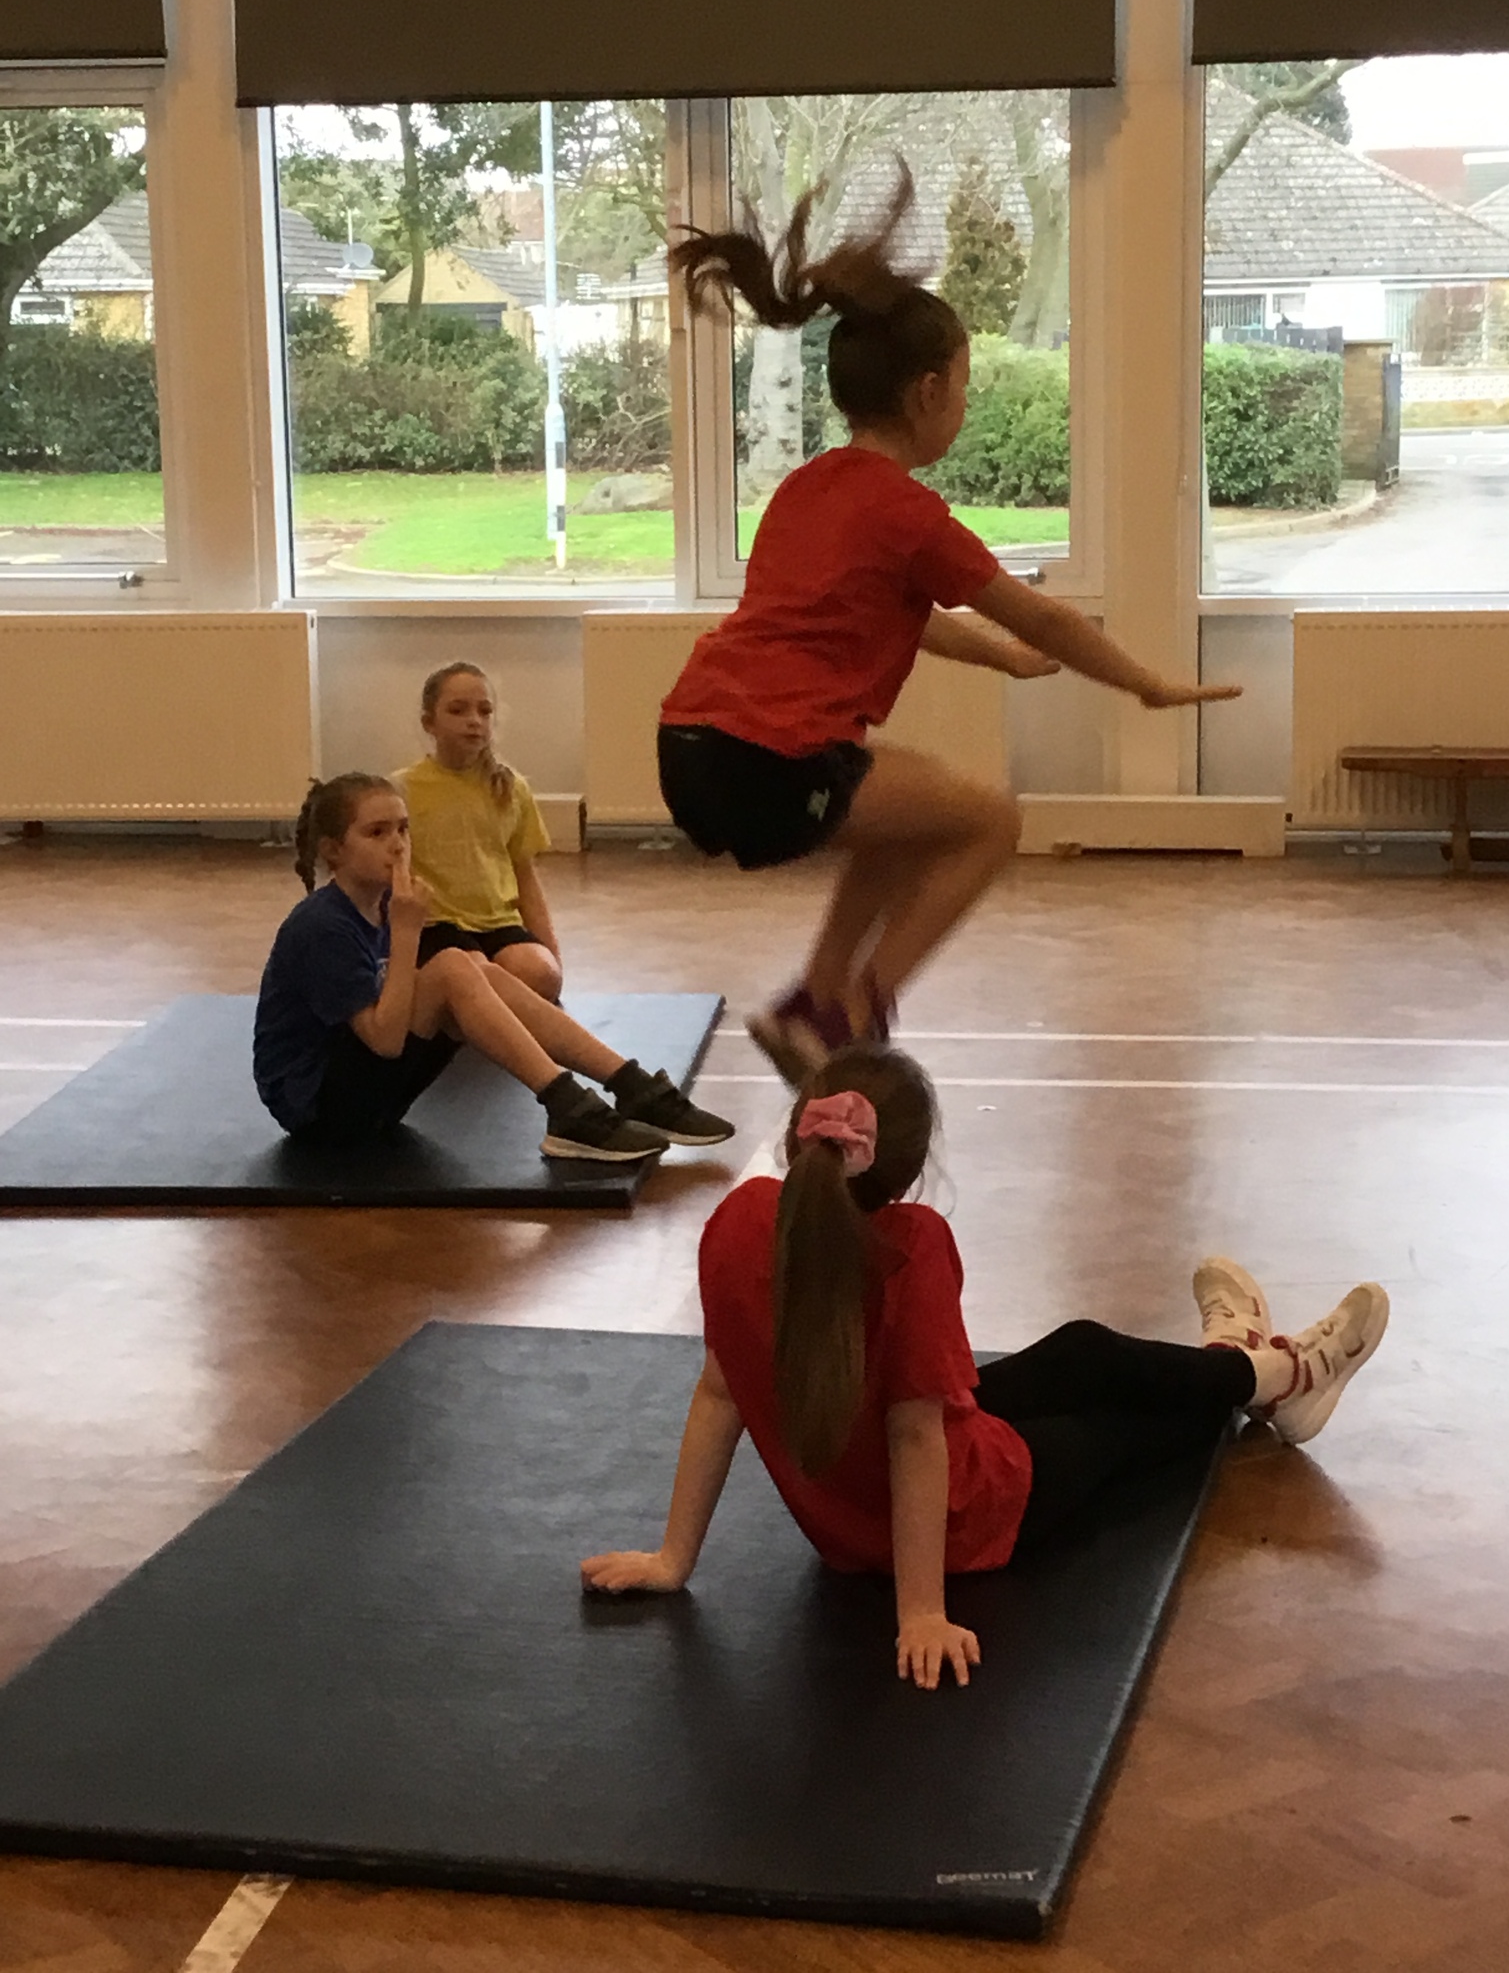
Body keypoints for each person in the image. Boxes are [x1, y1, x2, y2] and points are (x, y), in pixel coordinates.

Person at [659, 169, 1242, 1082]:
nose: (965, 405)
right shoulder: (907, 513)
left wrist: (1002, 662)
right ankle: (851, 1014)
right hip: (768, 759)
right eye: (964, 387)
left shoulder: (809, 488)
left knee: (910, 811)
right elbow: (1042, 613)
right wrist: (1146, 683)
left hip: (692, 742)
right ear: (928, 393)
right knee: (990, 822)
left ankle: (814, 1003)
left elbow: (899, 616)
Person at [581, 1047, 1389, 1688]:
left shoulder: (735, 1220)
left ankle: (1239, 1362)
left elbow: (719, 1392)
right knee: (1130, 1425)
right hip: (976, 1513)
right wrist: (921, 1614)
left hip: (857, 1515)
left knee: (1083, 1348)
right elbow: (915, 1440)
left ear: (798, 1134)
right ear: (910, 1169)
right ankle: (1280, 1379)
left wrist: (673, 1558)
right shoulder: (913, 1244)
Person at [253, 772, 734, 1160]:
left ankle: (631, 1085)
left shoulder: (386, 903)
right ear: (332, 850)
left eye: (403, 829)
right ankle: (567, 1107)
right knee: (451, 968)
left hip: (370, 1092)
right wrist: (406, 933)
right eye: (377, 832)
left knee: (471, 966)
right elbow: (385, 1039)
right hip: (320, 1112)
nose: (397, 845)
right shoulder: (322, 925)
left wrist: (408, 932)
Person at [394, 660, 563, 1002]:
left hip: (499, 923)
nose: (474, 721)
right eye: (458, 710)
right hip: (438, 925)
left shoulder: (511, 788)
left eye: (484, 711)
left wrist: (552, 955)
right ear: (429, 723)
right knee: (474, 976)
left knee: (541, 974)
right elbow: (392, 875)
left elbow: (525, 876)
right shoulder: (403, 789)